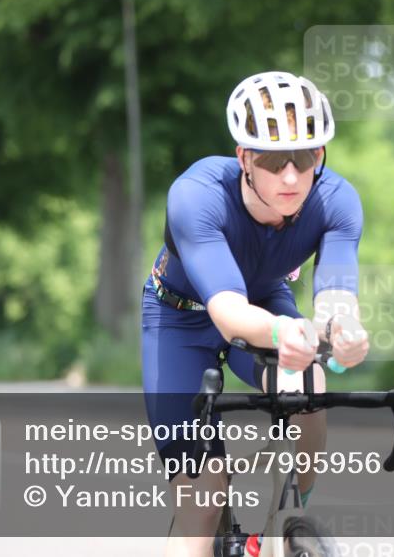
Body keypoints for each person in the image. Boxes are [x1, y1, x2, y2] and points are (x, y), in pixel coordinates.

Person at [141, 71, 370, 557]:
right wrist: (287, 330)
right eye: (271, 160)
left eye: (305, 158)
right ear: (244, 158)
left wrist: (343, 332)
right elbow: (226, 311)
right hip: (180, 319)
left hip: (265, 303)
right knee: (203, 503)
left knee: (310, 384)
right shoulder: (196, 194)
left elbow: (336, 299)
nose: (290, 177)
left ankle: (290, 515)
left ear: (321, 156)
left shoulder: (337, 201)